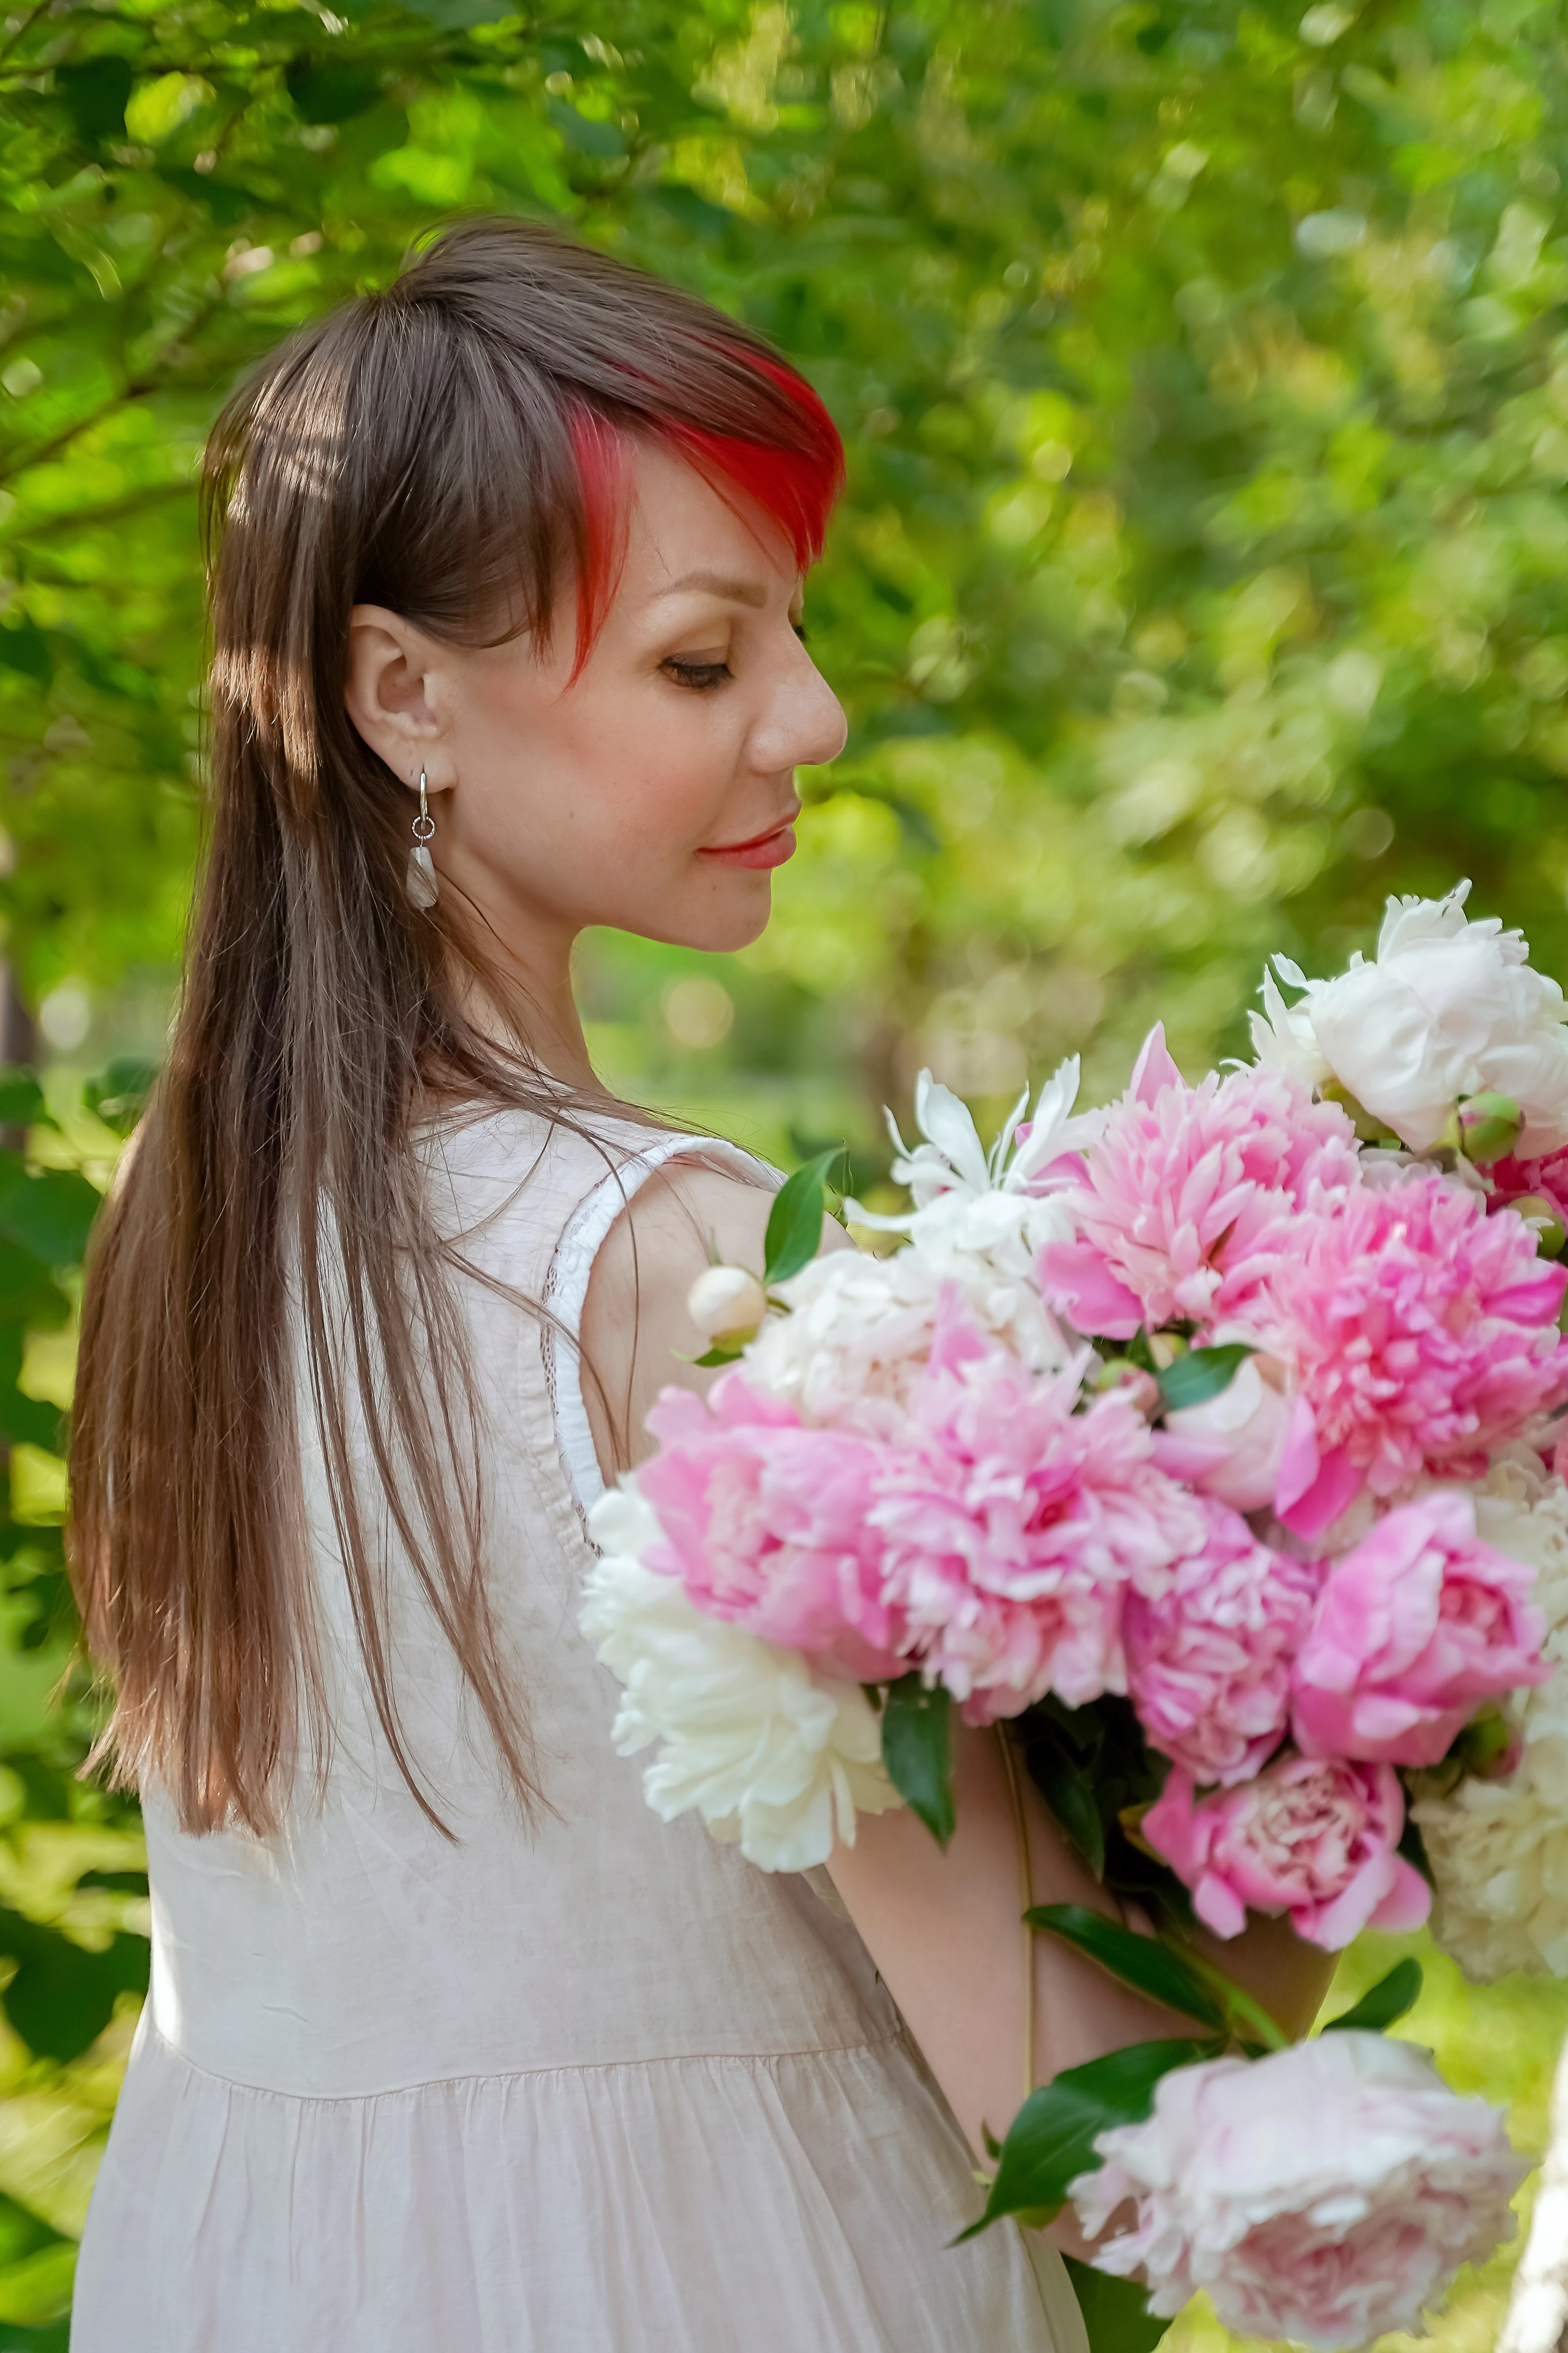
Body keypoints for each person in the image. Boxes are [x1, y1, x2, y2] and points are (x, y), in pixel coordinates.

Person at [65, 219, 1330, 2351]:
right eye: (700, 659)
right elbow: (1103, 2129)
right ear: (402, 694)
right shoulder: (695, 1270)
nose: (812, 721)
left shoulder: (178, 1223)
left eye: (794, 642)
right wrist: (1402, 1656)